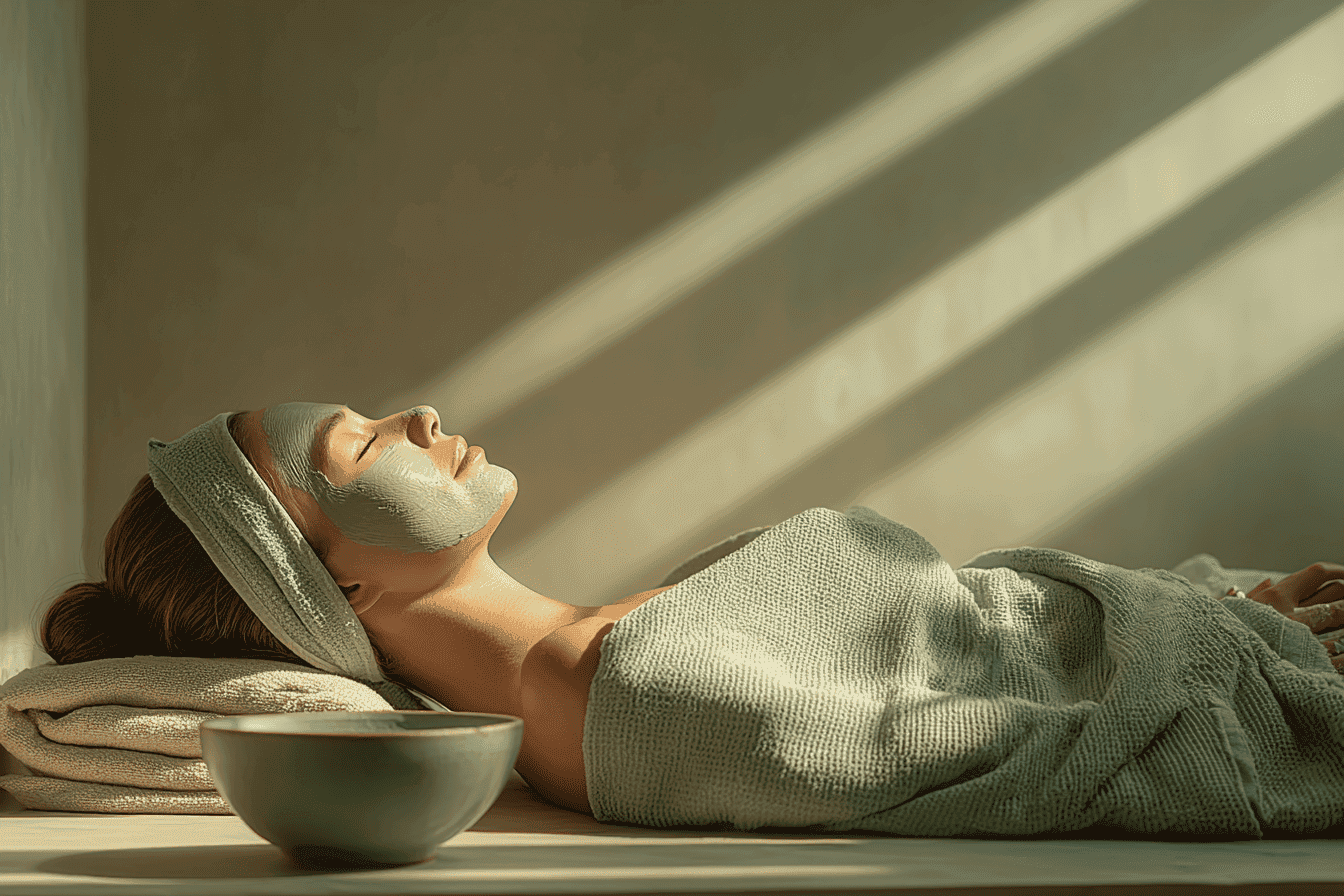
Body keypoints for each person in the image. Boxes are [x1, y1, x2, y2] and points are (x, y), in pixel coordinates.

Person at [38, 403, 1344, 818]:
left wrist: (1239, 601)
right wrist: (1251, 657)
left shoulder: (605, 655)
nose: (419, 417)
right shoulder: (655, 704)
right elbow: (1043, 762)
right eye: (358, 446)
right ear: (335, 589)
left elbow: (971, 634)